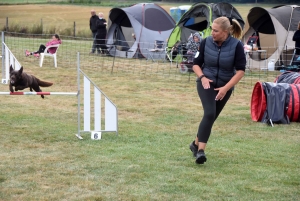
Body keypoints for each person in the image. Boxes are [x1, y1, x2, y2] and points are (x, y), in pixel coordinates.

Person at [190, 16, 246, 164]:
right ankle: (200, 151)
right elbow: (195, 64)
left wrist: (226, 88)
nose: (212, 33)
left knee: (211, 117)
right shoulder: (206, 42)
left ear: (226, 31)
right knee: (209, 113)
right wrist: (202, 77)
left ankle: (194, 144)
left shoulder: (237, 46)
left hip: (225, 86)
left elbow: (241, 71)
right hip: (206, 83)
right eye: (211, 29)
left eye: (216, 31)